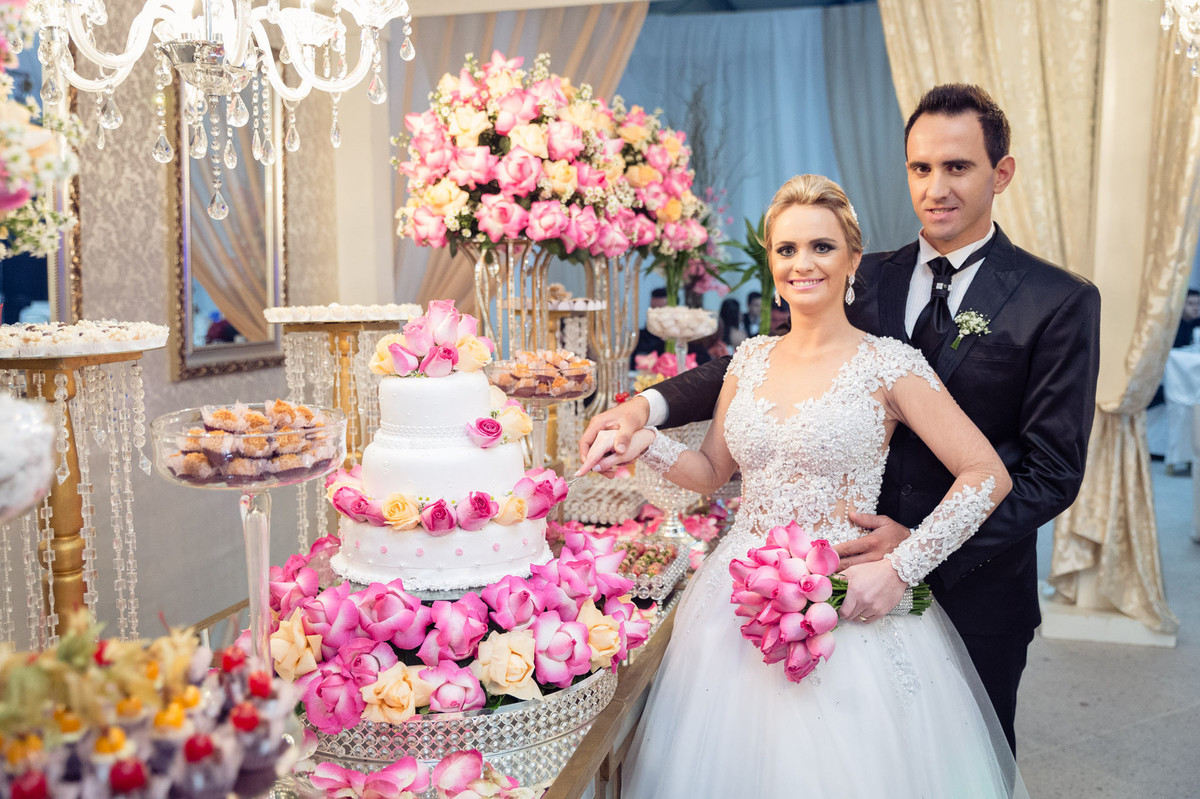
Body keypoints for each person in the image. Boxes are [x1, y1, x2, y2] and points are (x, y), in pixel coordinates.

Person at [579, 84, 1102, 754]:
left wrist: (912, 549)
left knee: (960, 755)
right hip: (777, 576)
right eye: (920, 168)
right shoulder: (862, 273)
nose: (935, 186)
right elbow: (753, 374)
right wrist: (640, 410)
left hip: (974, 578)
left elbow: (1050, 472)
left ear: (1001, 173)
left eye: (957, 166)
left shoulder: (1056, 300)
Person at [582, 175, 1023, 797]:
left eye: (821, 247)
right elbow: (711, 475)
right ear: (771, 262)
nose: (802, 264)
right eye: (786, 250)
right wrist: (646, 443)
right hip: (738, 595)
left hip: (846, 593)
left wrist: (901, 566)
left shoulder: (889, 364)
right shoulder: (749, 360)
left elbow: (986, 475)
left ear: (852, 260)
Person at [629, 287, 668, 368]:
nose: (656, 314)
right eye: (653, 309)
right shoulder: (639, 338)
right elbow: (633, 368)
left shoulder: (681, 340)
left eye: (661, 310)